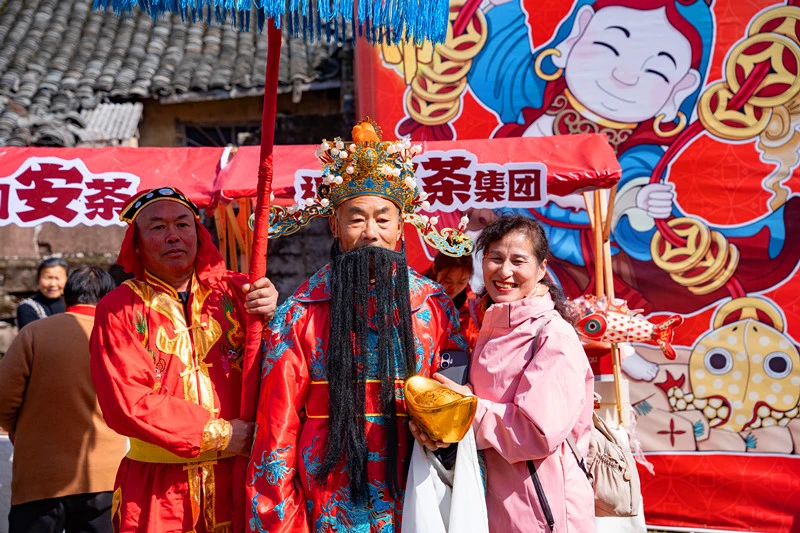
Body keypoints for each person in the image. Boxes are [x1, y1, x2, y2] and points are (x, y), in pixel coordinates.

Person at [246, 120, 472, 532]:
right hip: (328, 496)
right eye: (356, 219)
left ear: (401, 227)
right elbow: (275, 435)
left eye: (384, 219)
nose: (371, 233)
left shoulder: (433, 304)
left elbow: (455, 374)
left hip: (416, 486)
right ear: (334, 226)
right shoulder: (300, 313)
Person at [89, 187, 279, 533]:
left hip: (238, 478)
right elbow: (128, 403)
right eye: (158, 227)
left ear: (199, 232)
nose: (173, 235)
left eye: (182, 224)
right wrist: (219, 434)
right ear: (136, 242)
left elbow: (280, 369)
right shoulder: (117, 310)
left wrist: (273, 318)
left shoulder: (239, 292)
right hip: (160, 489)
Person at [413, 215, 595, 533]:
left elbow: (536, 431)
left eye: (518, 260)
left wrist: (464, 409)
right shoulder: (493, 325)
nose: (505, 271)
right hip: (491, 503)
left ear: (541, 269)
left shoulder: (553, 335)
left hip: (542, 509)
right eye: (495, 258)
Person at [0, 266, 128, 533]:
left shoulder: (33, 333)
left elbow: (3, 399)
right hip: (104, 475)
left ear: (67, 297)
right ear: (108, 299)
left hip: (39, 475)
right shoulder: (123, 338)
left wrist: (20, 431)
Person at [424, 252, 478, 349]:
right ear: (435, 269)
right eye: (448, 281)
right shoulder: (416, 295)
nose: (454, 288)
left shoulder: (473, 309)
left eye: (462, 282)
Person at [16, 257, 68, 329]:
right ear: (38, 279)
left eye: (57, 278)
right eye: (48, 278)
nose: (52, 284)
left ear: (67, 279)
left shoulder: (73, 304)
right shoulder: (28, 307)